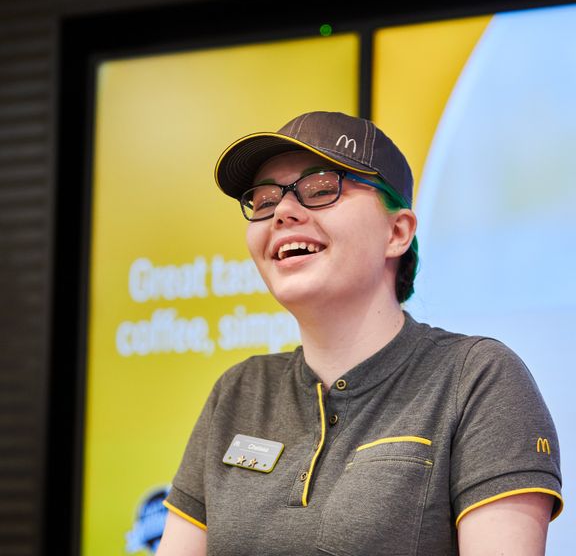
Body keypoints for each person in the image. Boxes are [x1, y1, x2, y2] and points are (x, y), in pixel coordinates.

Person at [157, 111, 563, 556]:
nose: (284, 212)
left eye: (320, 189)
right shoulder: (238, 393)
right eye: (264, 201)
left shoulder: (477, 379)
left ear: (397, 232)